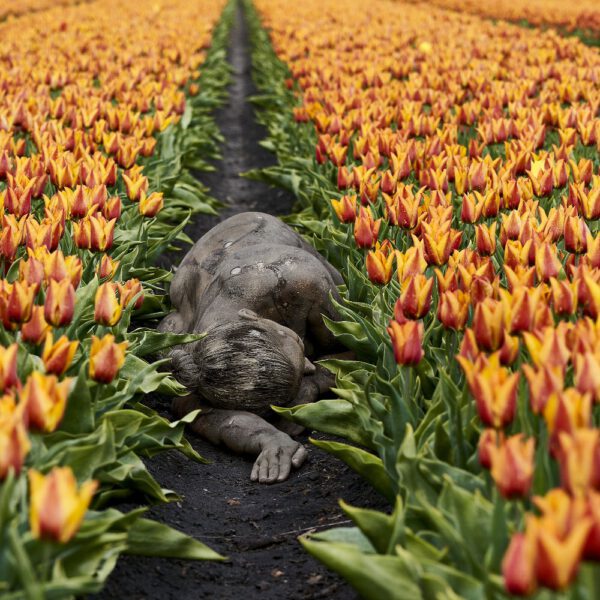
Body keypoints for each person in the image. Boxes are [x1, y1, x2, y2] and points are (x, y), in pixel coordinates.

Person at [159, 212, 345, 483]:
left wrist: (313, 385)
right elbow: (190, 407)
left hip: (257, 234)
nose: (309, 365)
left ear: (252, 316)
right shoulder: (193, 354)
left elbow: (360, 349)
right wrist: (266, 436)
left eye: (295, 344)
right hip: (200, 273)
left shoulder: (300, 280)